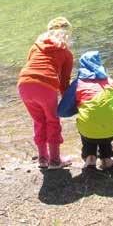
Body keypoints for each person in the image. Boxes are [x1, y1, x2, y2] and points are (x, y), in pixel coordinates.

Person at [18, 17, 73, 169]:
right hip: (45, 85)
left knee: (39, 121)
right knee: (52, 121)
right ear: (67, 34)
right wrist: (68, 104)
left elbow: (31, 65)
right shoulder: (66, 52)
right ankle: (55, 161)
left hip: (24, 83)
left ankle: (43, 159)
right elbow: (64, 83)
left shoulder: (35, 46)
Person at [58, 51, 113, 170]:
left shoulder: (78, 84)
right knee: (105, 119)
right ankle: (106, 158)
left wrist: (78, 107)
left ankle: (90, 157)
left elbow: (62, 112)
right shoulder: (111, 82)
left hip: (89, 132)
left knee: (86, 120)